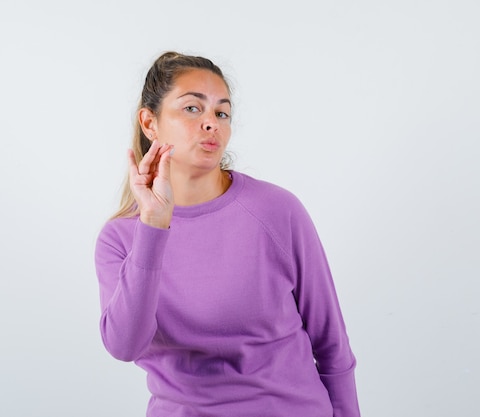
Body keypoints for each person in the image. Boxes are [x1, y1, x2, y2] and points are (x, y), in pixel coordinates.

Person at [94, 51, 360, 417]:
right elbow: (125, 345)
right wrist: (153, 226)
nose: (210, 123)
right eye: (192, 108)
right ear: (149, 123)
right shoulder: (121, 238)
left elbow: (332, 344)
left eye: (221, 113)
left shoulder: (277, 211)